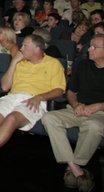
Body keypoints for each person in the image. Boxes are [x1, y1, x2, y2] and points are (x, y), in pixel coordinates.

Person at [0, 34, 66, 162]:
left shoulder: (53, 63)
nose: (21, 48)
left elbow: (59, 90)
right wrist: (13, 62)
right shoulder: (20, 63)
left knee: (11, 119)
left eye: (25, 46)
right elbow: (5, 86)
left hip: (34, 99)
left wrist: (40, 97)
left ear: (37, 49)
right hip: (13, 97)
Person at [41, 34, 104, 192]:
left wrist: (98, 106)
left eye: (94, 47)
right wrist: (75, 104)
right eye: (89, 45)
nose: (88, 49)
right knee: (49, 117)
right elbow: (71, 92)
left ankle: (75, 167)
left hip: (100, 113)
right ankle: (76, 169)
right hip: (76, 109)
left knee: (94, 126)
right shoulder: (82, 64)